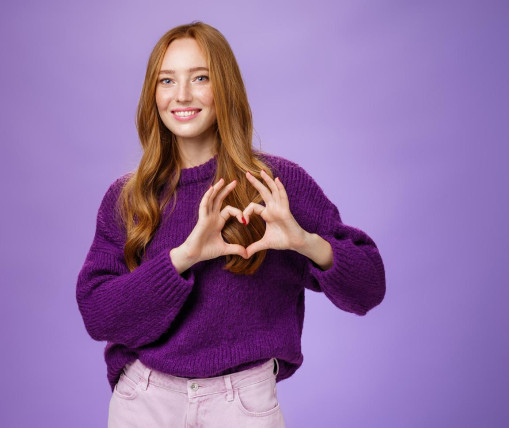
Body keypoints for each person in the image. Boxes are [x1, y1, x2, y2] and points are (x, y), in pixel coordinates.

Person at [75, 21, 386, 427]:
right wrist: (183, 258)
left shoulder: (274, 184)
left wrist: (306, 243)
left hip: (242, 407)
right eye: (167, 80)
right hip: (145, 403)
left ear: (224, 88)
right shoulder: (129, 198)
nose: (182, 95)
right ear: (153, 94)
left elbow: (369, 289)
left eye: (199, 77)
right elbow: (99, 316)